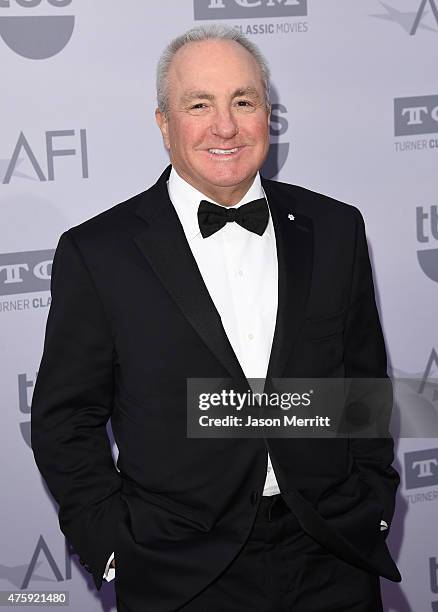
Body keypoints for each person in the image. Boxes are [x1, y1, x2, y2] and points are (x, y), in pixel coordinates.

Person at [31, 25, 401, 612]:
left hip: (331, 554)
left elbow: (362, 384)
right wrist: (112, 545)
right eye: (198, 104)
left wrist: (372, 501)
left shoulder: (336, 228)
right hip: (179, 569)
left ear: (268, 115)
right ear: (163, 123)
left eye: (242, 102)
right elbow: (65, 420)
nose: (224, 126)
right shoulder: (98, 252)